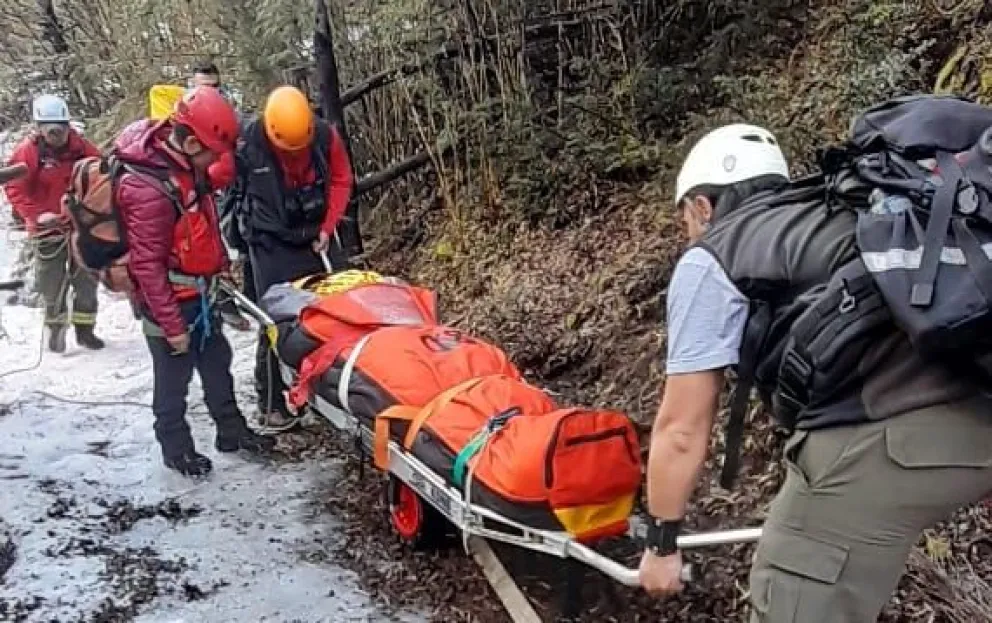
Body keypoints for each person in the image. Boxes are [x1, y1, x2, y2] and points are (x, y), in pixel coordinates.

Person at [637, 123, 992, 621]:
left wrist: (662, 541)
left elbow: (681, 428)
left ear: (702, 207)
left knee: (791, 595)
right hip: (978, 409)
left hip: (894, 432)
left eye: (686, 222)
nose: (689, 236)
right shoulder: (846, 212)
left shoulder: (712, 256)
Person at [113, 86, 275, 477]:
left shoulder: (185, 166)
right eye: (212, 154)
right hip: (169, 300)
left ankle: (231, 432)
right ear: (187, 141)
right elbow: (147, 265)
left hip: (201, 292)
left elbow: (203, 217)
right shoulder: (148, 190)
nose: (216, 164)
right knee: (173, 383)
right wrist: (171, 327)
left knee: (218, 365)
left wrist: (219, 264)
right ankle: (175, 448)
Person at [226, 85, 353, 433]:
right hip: (268, 239)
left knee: (333, 309)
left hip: (314, 231)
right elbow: (221, 182)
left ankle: (325, 389)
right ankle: (271, 401)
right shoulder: (248, 144)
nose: (294, 154)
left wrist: (327, 228)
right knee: (277, 321)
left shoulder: (324, 136)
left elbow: (341, 180)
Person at [5, 94, 105, 352]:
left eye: (60, 127)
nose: (56, 133)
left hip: (81, 227)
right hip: (47, 230)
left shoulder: (82, 149)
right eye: (50, 128)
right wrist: (37, 216)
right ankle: (56, 327)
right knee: (52, 283)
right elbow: (15, 189)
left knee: (86, 280)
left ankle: (85, 330)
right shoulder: (28, 153)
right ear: (39, 128)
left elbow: (102, 178)